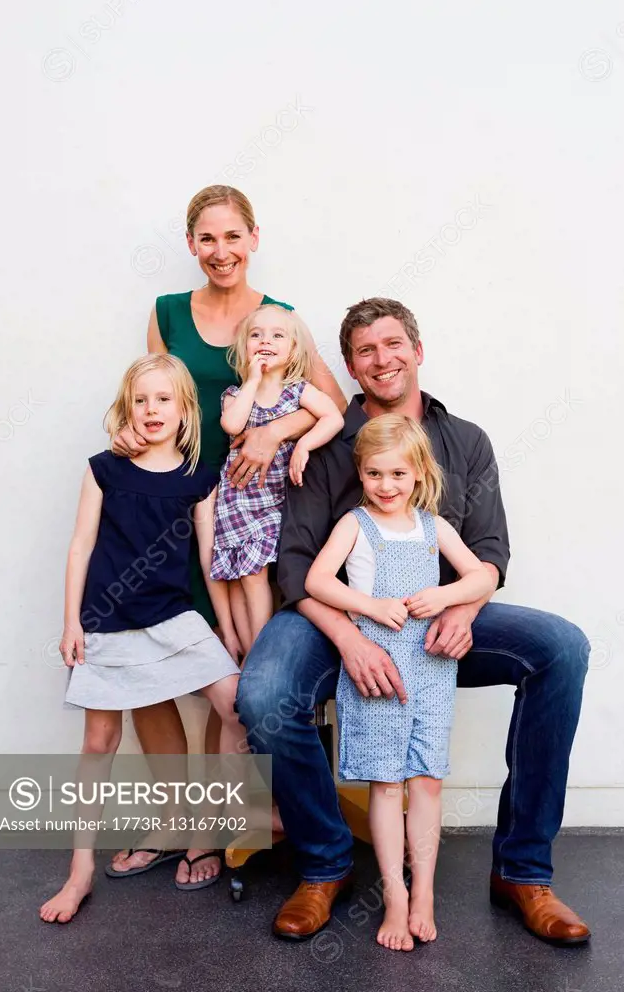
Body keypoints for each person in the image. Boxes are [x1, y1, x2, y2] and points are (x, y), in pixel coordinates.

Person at [235, 297, 592, 946]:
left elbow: (488, 553)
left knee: (561, 648)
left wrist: (463, 607)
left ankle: (523, 871)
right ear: (349, 366)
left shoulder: (467, 442)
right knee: (262, 693)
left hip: (434, 619)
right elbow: (295, 567)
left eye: (393, 344)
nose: (383, 359)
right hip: (336, 616)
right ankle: (324, 864)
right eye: (366, 351)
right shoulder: (320, 443)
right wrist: (349, 636)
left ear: (418, 351)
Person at [109, 185, 346, 886]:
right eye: (207, 239)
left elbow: (328, 404)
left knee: (227, 664)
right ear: (191, 245)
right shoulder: (166, 315)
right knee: (151, 664)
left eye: (233, 237)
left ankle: (211, 827)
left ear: (254, 239)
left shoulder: (279, 319)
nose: (221, 252)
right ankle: (173, 816)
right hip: (167, 505)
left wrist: (274, 432)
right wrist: (128, 433)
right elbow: (159, 393)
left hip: (247, 517)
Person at [40, 354, 247, 924]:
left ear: (185, 411)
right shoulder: (105, 468)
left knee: (237, 704)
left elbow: (209, 562)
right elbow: (81, 545)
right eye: (142, 400)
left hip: (172, 617)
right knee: (99, 741)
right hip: (107, 620)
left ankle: (205, 828)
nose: (152, 410)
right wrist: (70, 622)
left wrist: (226, 631)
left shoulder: (200, 476)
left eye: (164, 400)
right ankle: (79, 871)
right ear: (127, 407)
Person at [306, 414, 495, 951]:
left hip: (432, 668)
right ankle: (392, 896)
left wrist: (447, 596)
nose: (385, 486)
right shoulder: (354, 524)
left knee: (427, 781)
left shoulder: (435, 527)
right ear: (360, 473)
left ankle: (424, 894)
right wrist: (369, 605)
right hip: (380, 670)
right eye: (373, 474)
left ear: (418, 474)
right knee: (386, 784)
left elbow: (482, 573)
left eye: (397, 474)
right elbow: (317, 580)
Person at [212, 304, 344, 654]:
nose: (265, 340)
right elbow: (232, 425)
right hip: (240, 498)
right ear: (244, 348)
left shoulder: (297, 390)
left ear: (293, 350)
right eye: (256, 335)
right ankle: (251, 651)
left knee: (262, 576)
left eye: (277, 335)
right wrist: (253, 380)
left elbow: (334, 417)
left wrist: (304, 444)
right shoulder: (235, 395)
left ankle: (261, 652)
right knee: (242, 576)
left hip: (276, 499)